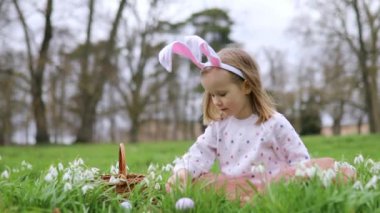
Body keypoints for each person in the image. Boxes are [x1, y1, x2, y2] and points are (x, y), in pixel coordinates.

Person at [158, 35, 355, 201]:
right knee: (200, 182)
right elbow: (199, 154)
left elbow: (301, 162)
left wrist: (296, 182)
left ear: (246, 86)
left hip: (273, 189)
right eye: (212, 95)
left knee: (322, 169)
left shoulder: (273, 123)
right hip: (233, 190)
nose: (216, 101)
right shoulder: (219, 126)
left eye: (222, 94)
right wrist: (182, 172)